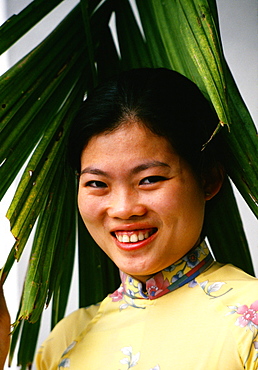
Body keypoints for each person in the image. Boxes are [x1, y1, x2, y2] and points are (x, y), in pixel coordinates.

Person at [2, 68, 258, 369]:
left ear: (208, 179)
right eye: (97, 184)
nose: (123, 209)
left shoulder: (250, 326)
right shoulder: (66, 340)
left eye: (149, 179)